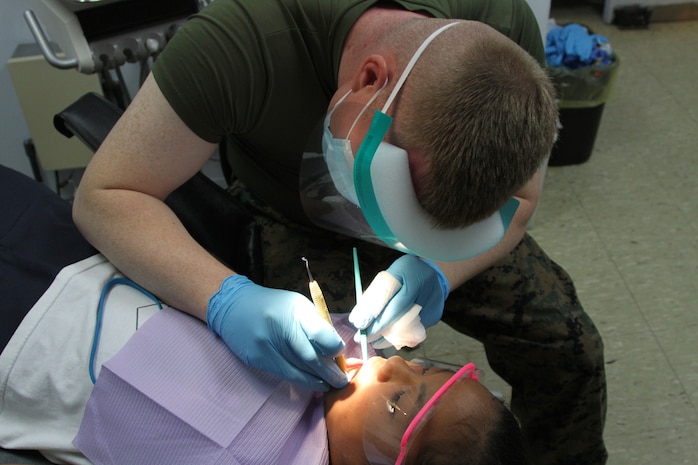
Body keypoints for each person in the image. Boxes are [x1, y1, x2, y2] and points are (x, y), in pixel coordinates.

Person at [71, 1, 607, 464]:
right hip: (291, 215)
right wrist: (225, 298)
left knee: (567, 346)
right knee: (303, 385)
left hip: (455, 234)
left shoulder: (503, 31)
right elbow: (107, 196)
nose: (397, 366)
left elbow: (521, 203)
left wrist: (439, 270)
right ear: (369, 81)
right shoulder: (240, 44)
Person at [0, 166, 525, 465]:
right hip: (78, 258)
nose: (392, 365)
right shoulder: (351, 359)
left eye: (398, 401)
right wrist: (229, 298)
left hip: (24, 348)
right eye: (426, 366)